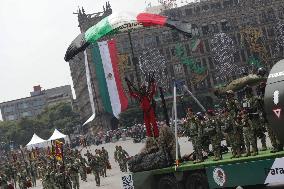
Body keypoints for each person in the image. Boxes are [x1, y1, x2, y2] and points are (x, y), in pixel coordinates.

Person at [125, 73, 159, 138]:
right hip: (145, 112)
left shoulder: (148, 95)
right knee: (147, 125)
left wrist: (153, 82)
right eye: (142, 89)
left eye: (144, 89)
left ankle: (157, 135)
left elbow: (153, 90)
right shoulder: (139, 97)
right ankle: (150, 136)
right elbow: (132, 94)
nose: (143, 90)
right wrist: (128, 85)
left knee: (154, 123)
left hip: (150, 111)